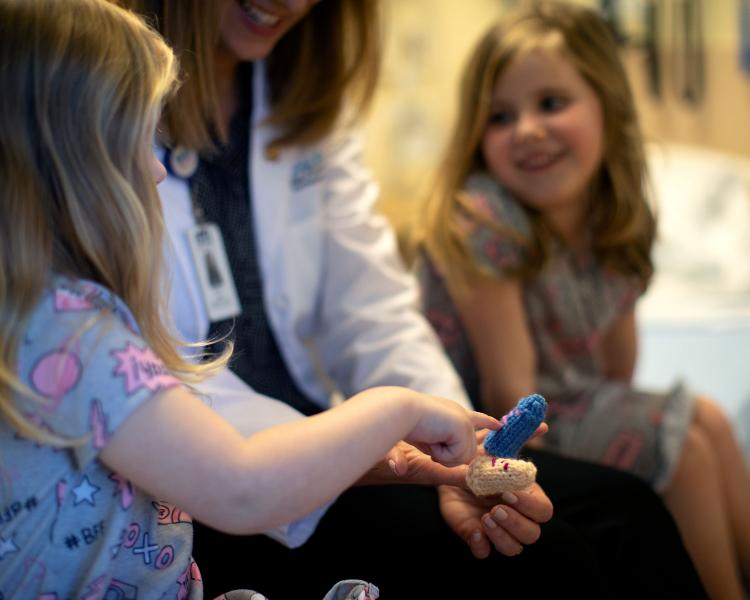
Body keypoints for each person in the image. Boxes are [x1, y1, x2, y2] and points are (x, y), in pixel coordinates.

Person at [117, 0, 709, 597]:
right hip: (204, 483)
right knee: (552, 562)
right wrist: (367, 442)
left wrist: (450, 445)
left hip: (334, 441)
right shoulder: (95, 103)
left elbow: (372, 309)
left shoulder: (299, 94)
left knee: (629, 515)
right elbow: (147, 380)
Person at [0, 0, 504, 596]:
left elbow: (371, 307)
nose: (158, 174)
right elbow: (242, 487)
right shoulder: (79, 339)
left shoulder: (34, 319)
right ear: (75, 165)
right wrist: (396, 409)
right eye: (140, 145)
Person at [419, 2, 750, 598]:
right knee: (684, 446)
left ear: (608, 107)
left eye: (551, 103)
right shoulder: (486, 219)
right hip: (496, 425)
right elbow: (506, 395)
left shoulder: (613, 214)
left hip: (565, 403)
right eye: (500, 116)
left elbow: (615, 372)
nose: (527, 129)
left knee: (711, 422)